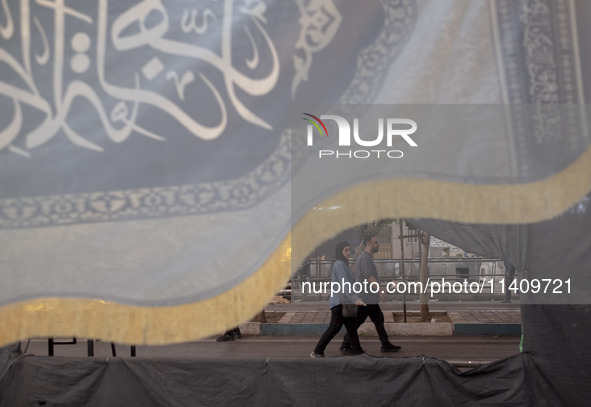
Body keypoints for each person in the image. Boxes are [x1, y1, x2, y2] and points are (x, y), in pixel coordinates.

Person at [340, 234, 401, 353]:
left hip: (371, 296)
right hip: (365, 296)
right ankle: (345, 345)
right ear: (368, 244)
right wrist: (381, 291)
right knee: (357, 321)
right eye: (376, 242)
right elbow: (369, 277)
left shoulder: (368, 257)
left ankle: (385, 344)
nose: (378, 245)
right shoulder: (365, 258)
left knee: (379, 319)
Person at [310, 241, 366, 358]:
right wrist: (355, 298)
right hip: (340, 302)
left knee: (351, 327)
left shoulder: (344, 264)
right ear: (340, 251)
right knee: (334, 327)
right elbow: (345, 285)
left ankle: (357, 350)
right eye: (345, 250)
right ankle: (317, 351)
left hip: (345, 302)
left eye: (349, 250)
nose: (348, 252)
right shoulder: (340, 264)